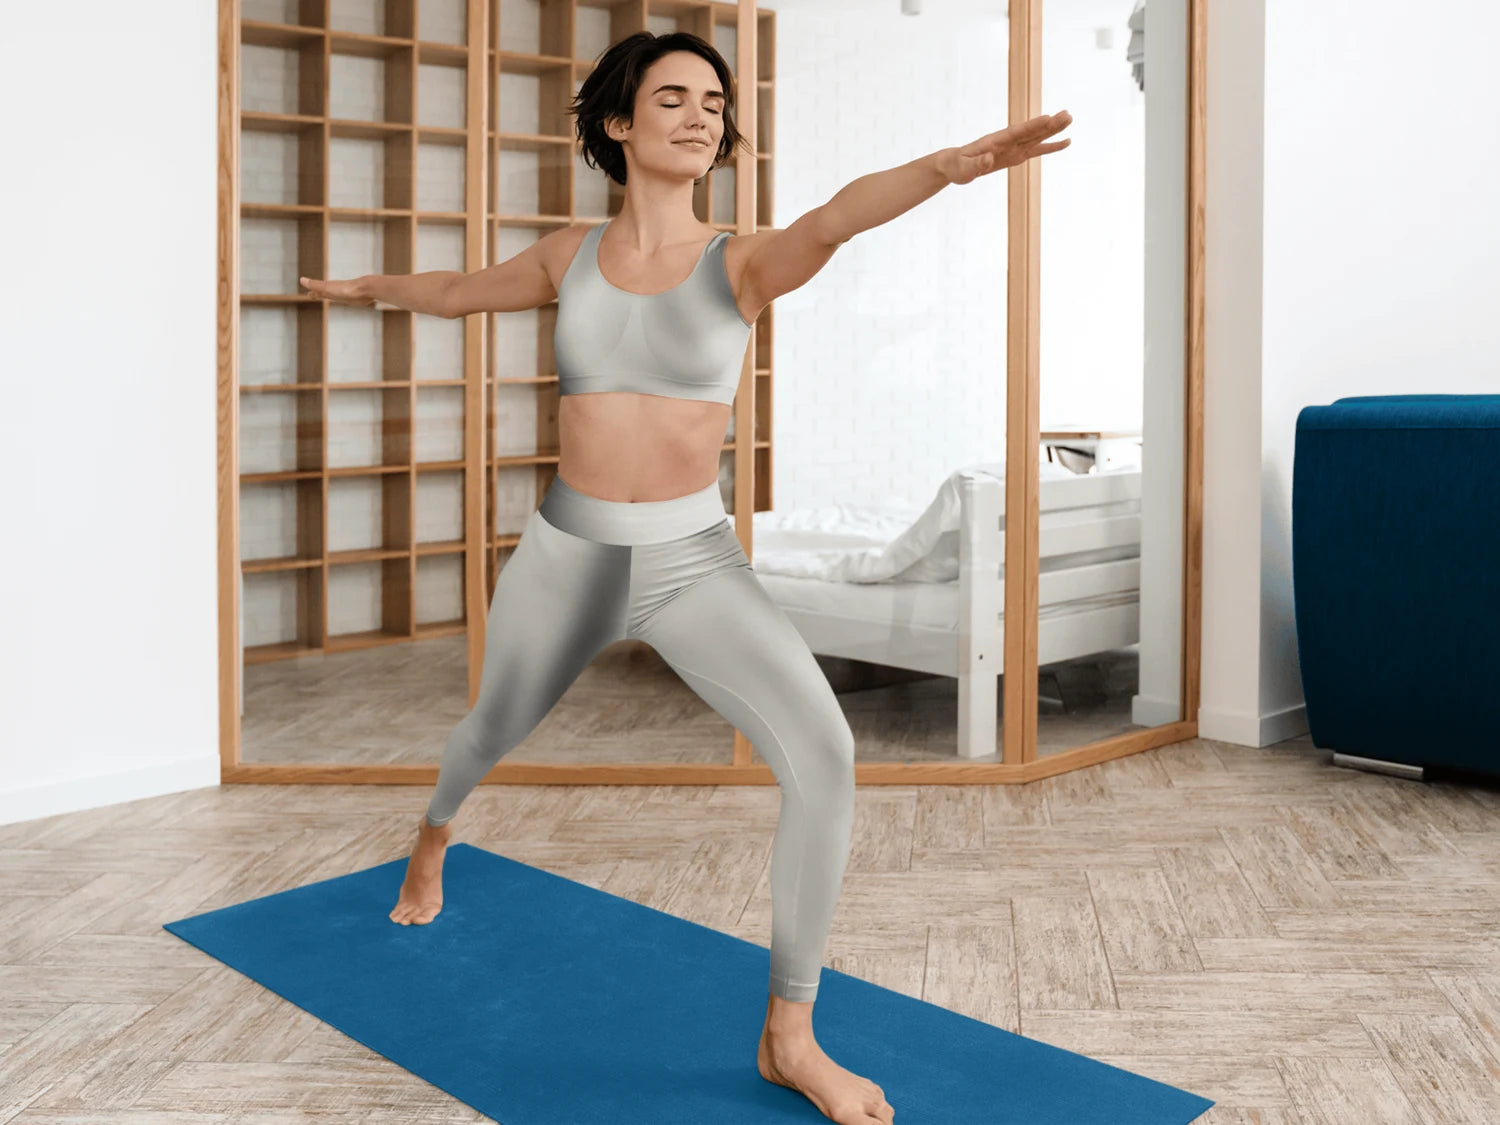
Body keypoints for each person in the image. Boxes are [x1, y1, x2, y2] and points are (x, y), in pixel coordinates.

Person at [300, 30, 1070, 1125]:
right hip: (568, 552)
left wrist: (942, 169)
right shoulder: (567, 257)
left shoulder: (741, 263)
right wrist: (372, 285)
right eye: (673, 97)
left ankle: (788, 1034)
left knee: (826, 753)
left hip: (689, 560)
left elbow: (835, 218)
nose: (702, 114)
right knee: (487, 731)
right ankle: (432, 839)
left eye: (714, 101)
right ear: (619, 125)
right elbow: (462, 289)